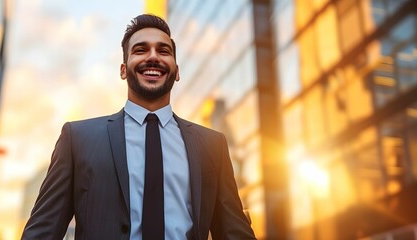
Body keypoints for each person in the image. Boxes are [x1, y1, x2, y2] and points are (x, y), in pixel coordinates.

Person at [22, 14, 256, 240]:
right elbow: (42, 231)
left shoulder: (212, 145)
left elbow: (234, 232)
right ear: (123, 70)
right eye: (141, 50)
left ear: (176, 71)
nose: (153, 57)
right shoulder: (78, 139)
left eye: (163, 51)